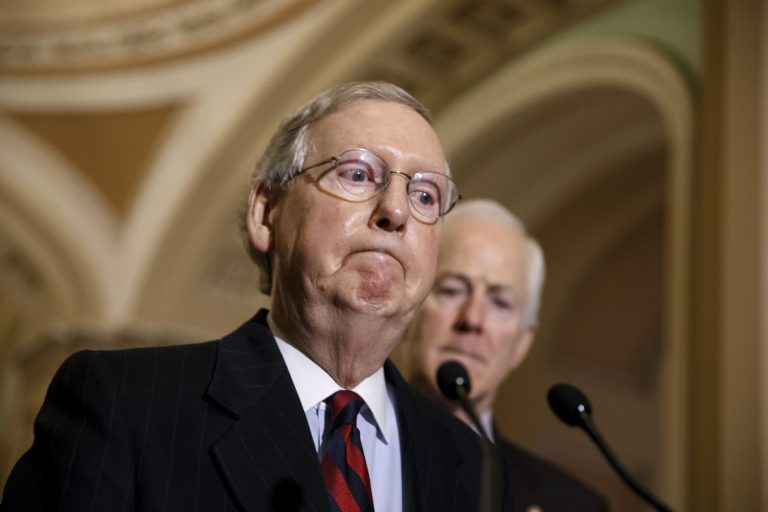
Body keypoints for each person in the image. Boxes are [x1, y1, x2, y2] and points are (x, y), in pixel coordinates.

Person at [1, 82, 491, 511]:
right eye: (359, 174)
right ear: (265, 213)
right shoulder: (126, 404)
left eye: (425, 194)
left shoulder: (474, 466)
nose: (395, 211)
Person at [407, 199, 608, 512]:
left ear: (521, 345)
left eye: (500, 303)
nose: (472, 319)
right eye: (452, 290)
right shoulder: (344, 448)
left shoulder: (573, 505)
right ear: (409, 307)